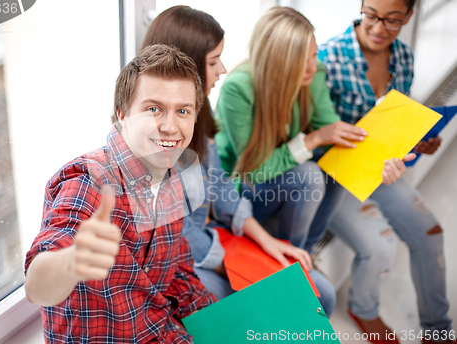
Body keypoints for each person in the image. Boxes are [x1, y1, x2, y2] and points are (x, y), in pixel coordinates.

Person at [215, 6, 412, 319]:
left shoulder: (313, 75)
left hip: (281, 179)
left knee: (333, 167)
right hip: (243, 192)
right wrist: (312, 139)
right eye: (302, 59)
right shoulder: (239, 89)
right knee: (308, 174)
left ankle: (302, 255)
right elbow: (255, 170)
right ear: (278, 61)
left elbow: (336, 133)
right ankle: (292, 266)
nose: (313, 65)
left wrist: (386, 156)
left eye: (314, 54)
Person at [24, 44, 216, 343]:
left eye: (182, 111)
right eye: (153, 109)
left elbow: (177, 273)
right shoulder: (88, 182)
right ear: (122, 114)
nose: (169, 126)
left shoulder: (172, 177)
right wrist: (72, 260)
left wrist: (224, 322)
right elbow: (36, 286)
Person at [139, 5, 319, 310]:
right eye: (213, 61)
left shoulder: (199, 114)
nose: (222, 69)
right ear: (186, 67)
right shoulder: (150, 139)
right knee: (274, 303)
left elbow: (220, 187)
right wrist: (233, 266)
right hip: (176, 264)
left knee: (315, 294)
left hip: (209, 242)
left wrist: (265, 241)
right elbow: (176, 235)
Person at [318, 1, 452, 343]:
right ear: (361, 7)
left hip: (379, 167)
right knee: (380, 244)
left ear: (408, 17)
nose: (379, 29)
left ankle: (438, 330)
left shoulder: (403, 59)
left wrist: (415, 144)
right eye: (372, 16)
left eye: (393, 21)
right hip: (335, 175)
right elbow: (309, 134)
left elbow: (394, 122)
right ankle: (362, 310)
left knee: (431, 234)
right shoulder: (326, 58)